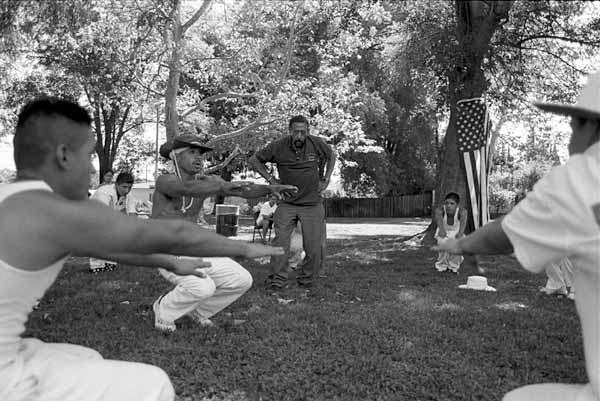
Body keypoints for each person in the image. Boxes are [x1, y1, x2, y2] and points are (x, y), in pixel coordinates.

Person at [0, 97, 284, 401]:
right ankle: (166, 311)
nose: (94, 169)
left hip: (12, 349)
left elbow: (112, 248)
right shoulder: (55, 210)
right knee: (154, 385)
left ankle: (195, 312)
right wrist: (242, 247)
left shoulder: (20, 199)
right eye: (90, 156)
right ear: (64, 155)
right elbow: (172, 232)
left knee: (84, 358)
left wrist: (172, 264)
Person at [433, 71, 600, 401]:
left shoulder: (584, 177)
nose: (569, 134)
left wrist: (459, 243)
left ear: (589, 126)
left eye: (573, 124)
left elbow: (504, 234)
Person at [151, 134, 297, 332]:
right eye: (191, 152)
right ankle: (163, 310)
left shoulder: (205, 181)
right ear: (175, 157)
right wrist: (220, 184)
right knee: (204, 287)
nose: (198, 158)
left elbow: (241, 190)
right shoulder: (165, 181)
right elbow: (185, 188)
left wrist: (268, 188)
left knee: (241, 279)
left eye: (200, 154)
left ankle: (198, 312)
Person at [249, 115, 336, 289]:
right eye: (295, 132)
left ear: (308, 132)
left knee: (313, 247)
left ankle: (307, 279)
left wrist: (326, 179)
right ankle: (278, 279)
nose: (299, 136)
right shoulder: (279, 146)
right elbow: (254, 160)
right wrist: (272, 180)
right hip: (287, 203)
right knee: (280, 242)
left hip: (312, 204)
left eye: (303, 132)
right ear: (290, 131)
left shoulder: (316, 143)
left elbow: (331, 155)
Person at [88, 171, 137, 273]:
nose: (127, 190)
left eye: (129, 187)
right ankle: (96, 265)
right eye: (124, 187)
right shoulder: (104, 192)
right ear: (116, 184)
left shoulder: (129, 194)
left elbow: (131, 213)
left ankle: (110, 262)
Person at [433, 192, 467, 273]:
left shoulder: (462, 212)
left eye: (452, 204)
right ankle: (441, 266)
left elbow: (461, 231)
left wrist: (458, 235)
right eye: (446, 203)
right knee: (443, 243)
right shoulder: (439, 211)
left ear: (457, 205)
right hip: (443, 231)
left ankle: (453, 267)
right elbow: (442, 232)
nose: (448, 206)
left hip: (456, 231)